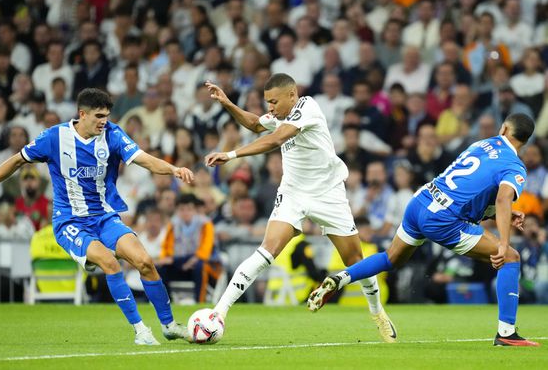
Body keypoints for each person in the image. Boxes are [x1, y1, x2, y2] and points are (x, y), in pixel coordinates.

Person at [0, 88, 194, 346]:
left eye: (106, 115)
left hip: (105, 217)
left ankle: (169, 324)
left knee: (144, 262)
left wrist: (173, 169)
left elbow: (145, 160)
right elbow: (16, 161)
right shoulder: (54, 138)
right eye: (98, 116)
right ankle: (141, 330)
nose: (103, 121)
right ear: (82, 114)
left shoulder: (112, 134)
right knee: (109, 262)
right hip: (70, 222)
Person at [308, 113, 540, 347]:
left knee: (391, 258)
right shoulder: (514, 165)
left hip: (421, 201)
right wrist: (502, 240)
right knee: (510, 256)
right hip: (444, 219)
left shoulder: (482, 144)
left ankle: (340, 277)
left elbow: (469, 189)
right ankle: (506, 333)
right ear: (525, 140)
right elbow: (503, 199)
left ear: (503, 129)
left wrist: (502, 214)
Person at [204, 74, 397, 343]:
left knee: (355, 260)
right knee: (267, 249)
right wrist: (227, 103)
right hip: (293, 193)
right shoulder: (278, 116)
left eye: (273, 101)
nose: (269, 108)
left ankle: (378, 313)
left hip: (328, 193)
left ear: (292, 95)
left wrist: (232, 154)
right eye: (266, 102)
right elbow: (255, 124)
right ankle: (219, 313)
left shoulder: (308, 108)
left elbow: (275, 140)